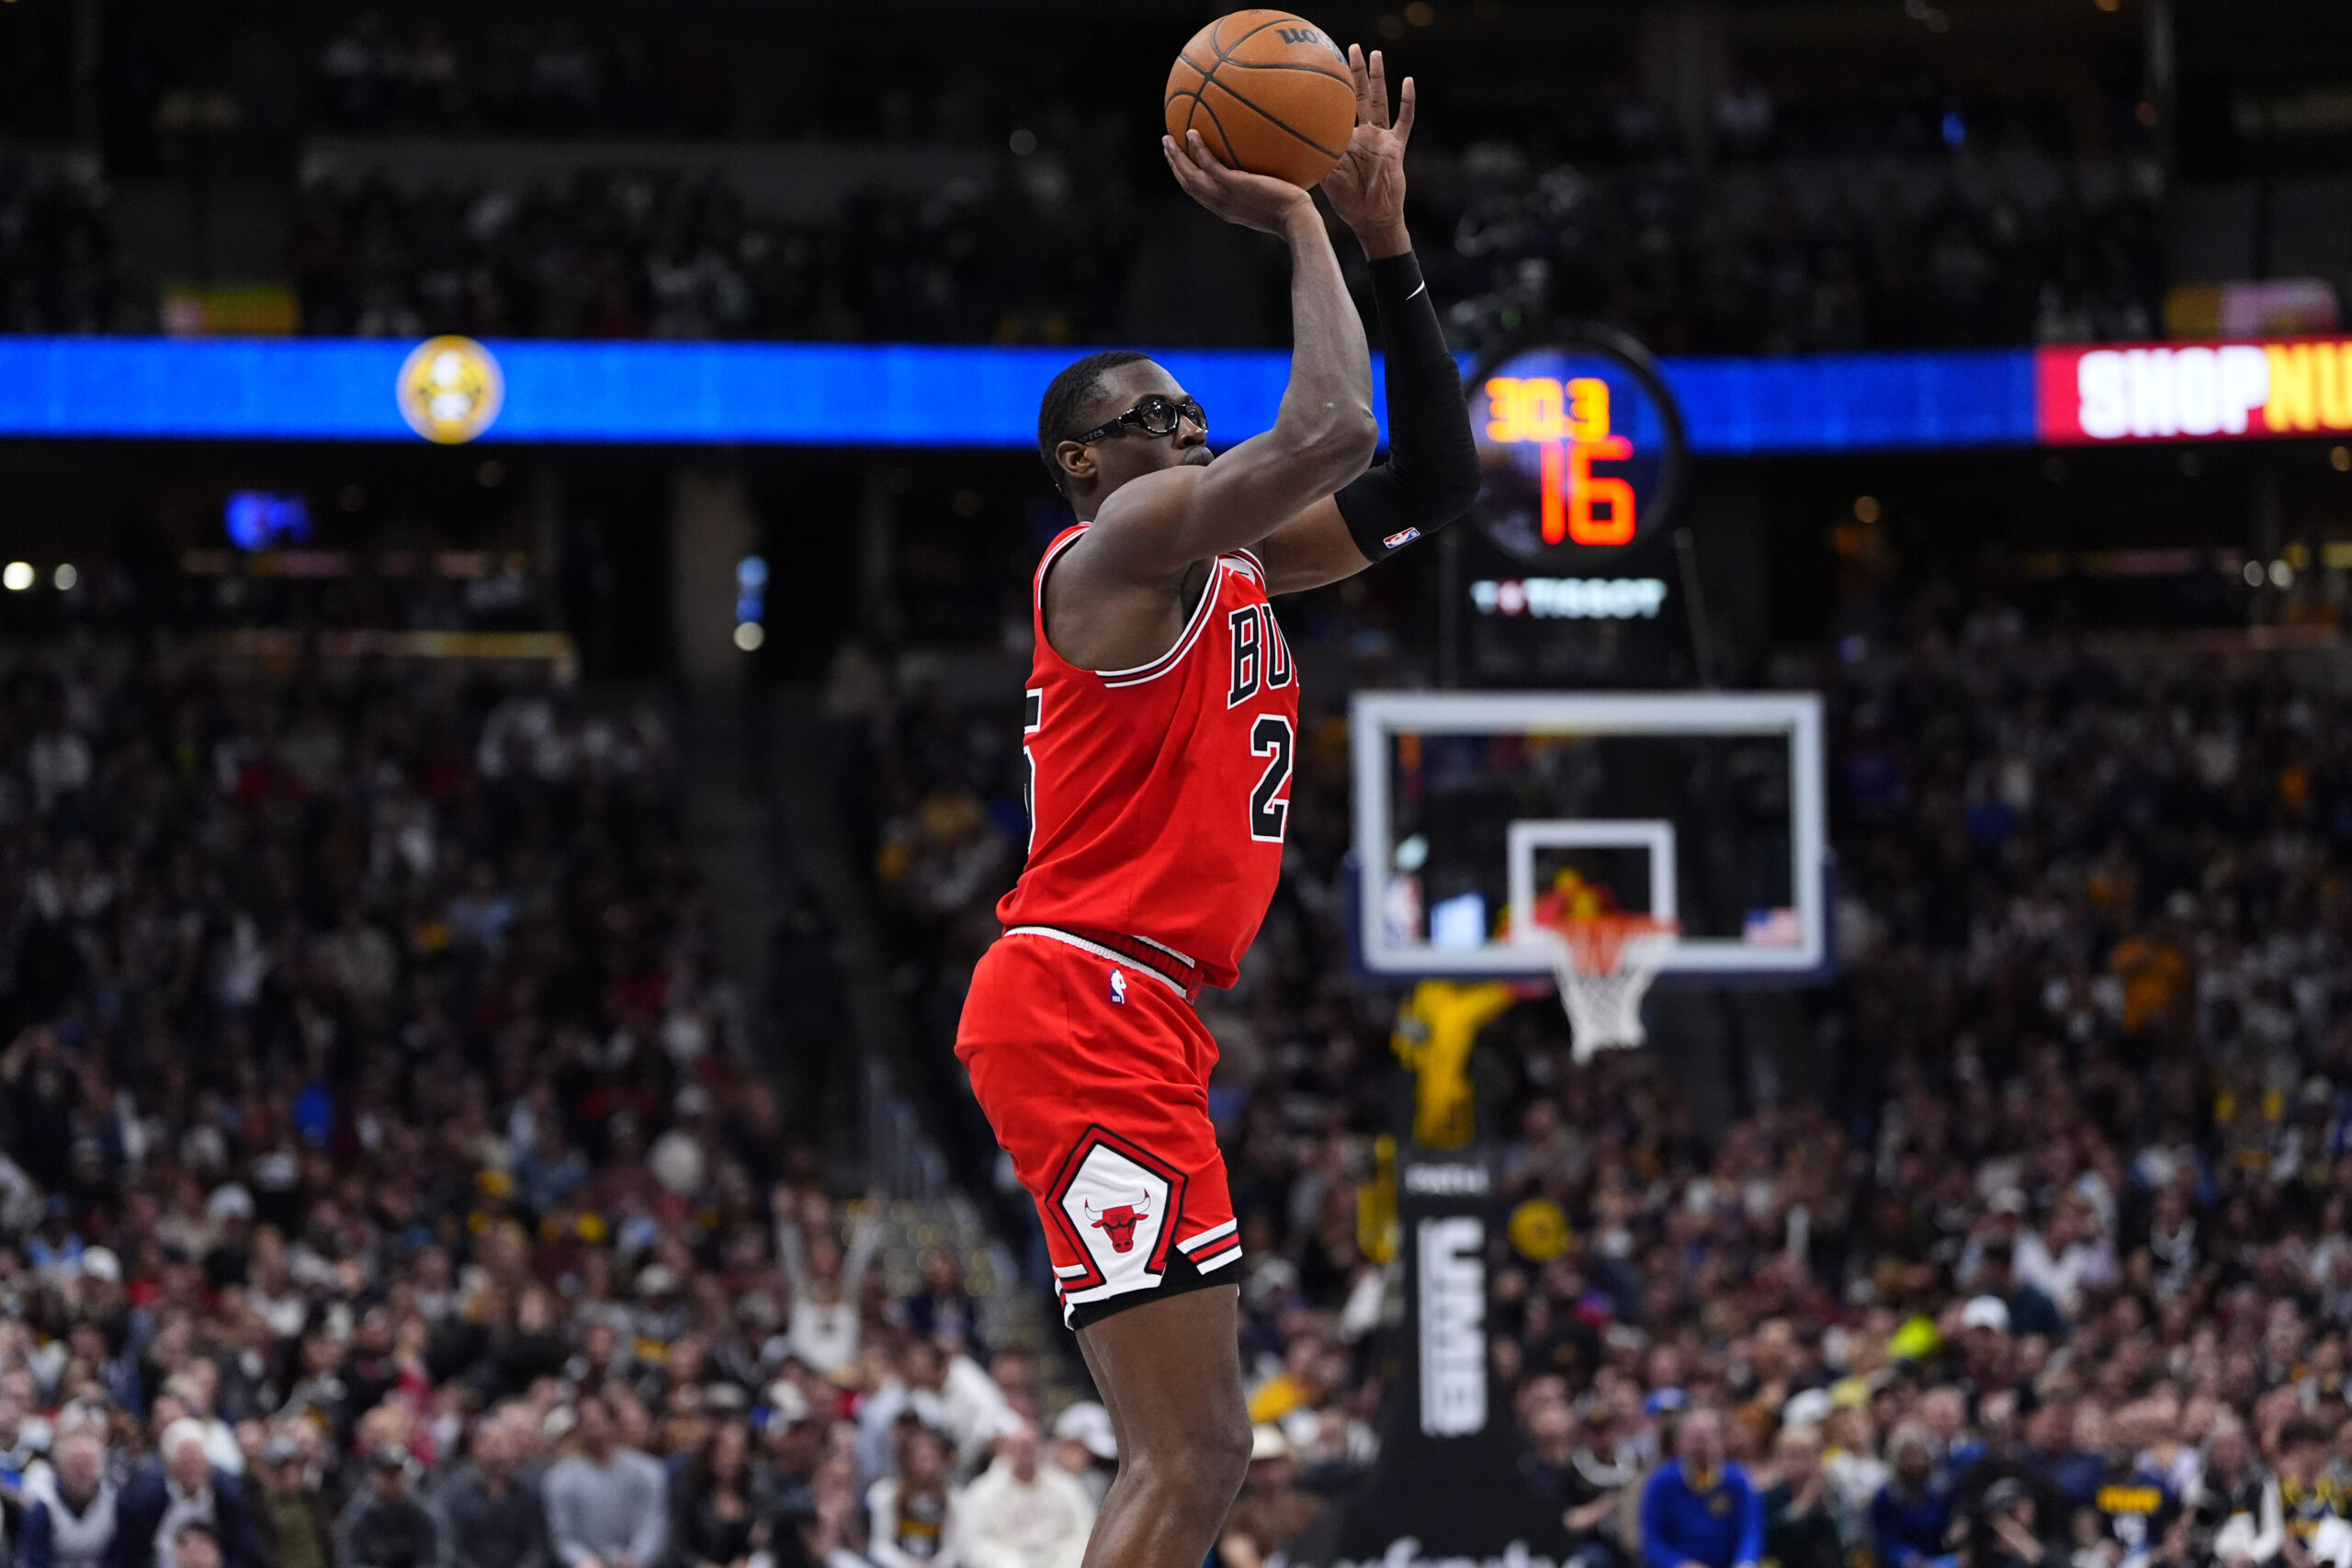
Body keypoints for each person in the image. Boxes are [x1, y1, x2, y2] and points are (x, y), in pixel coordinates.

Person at [950, 39, 1478, 1568]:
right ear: (1083, 465)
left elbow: (1430, 476)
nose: (1183, 428)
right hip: (1084, 993)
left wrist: (1388, 244)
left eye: (1191, 410)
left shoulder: (1241, 565)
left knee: (1189, 1455)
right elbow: (1330, 431)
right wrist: (1306, 214)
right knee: (1197, 1453)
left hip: (1133, 1004)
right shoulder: (1109, 556)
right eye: (1150, 419)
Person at [543, 1396, 668, 1568]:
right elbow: (562, 1536)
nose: (595, 1430)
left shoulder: (648, 1472)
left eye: (599, 1421)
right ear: (578, 1428)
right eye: (587, 1423)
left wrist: (635, 1559)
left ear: (614, 1423)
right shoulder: (559, 1479)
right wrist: (585, 1561)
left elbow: (651, 1525)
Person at [111, 1419, 254, 1568]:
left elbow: (241, 1549)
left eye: (198, 1460)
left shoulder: (230, 1494)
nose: (194, 1469)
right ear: (169, 1464)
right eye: (186, 1461)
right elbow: (130, 1552)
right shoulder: (143, 1498)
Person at [948, 1425, 1094, 1568]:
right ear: (1008, 1449)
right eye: (1021, 1447)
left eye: (1031, 1446)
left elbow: (1083, 1534)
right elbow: (972, 1543)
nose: (1026, 1452)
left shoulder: (1067, 1488)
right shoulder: (982, 1492)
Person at [1638, 1410, 1763, 1568]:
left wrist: (1745, 1563)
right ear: (1677, 1442)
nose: (1701, 1446)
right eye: (1694, 1438)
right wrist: (1680, 1564)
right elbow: (1652, 1541)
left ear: (1720, 1440)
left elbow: (1751, 1532)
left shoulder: (1738, 1480)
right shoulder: (1661, 1482)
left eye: (1707, 1437)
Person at [434, 1411, 549, 1568]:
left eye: (506, 1443)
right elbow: (451, 1547)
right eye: (494, 1443)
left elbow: (538, 1546)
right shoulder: (454, 1492)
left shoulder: (529, 1492)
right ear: (476, 1448)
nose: (501, 1451)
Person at [1217, 1427, 1326, 1568]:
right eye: (1259, 1465)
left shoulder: (1311, 1508)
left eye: (1274, 1463)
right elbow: (1238, 1554)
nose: (1268, 1472)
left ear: (1288, 1464)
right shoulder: (1239, 1517)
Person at [662, 1420, 765, 1568]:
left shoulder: (756, 1495)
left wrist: (746, 1559)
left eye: (739, 1452)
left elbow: (759, 1541)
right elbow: (675, 1545)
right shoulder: (687, 1490)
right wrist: (700, 1564)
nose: (731, 1459)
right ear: (712, 1452)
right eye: (726, 1451)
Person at [20, 1427, 119, 1568]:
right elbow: (33, 1560)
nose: (83, 1472)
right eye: (76, 1464)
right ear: (60, 1468)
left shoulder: (115, 1503)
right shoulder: (43, 1507)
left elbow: (122, 1557)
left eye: (89, 1464)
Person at [865, 1425, 956, 1568]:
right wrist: (908, 1565)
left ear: (941, 1459)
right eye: (920, 1457)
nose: (926, 1464)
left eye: (931, 1457)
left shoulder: (954, 1498)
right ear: (907, 1459)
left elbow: (953, 1547)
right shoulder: (886, 1494)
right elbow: (879, 1546)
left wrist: (934, 1565)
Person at [1870, 1424, 1957, 1568]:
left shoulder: (1941, 1491)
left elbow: (1948, 1528)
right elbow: (1886, 1540)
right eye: (1910, 1457)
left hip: (1940, 1558)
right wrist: (1909, 1558)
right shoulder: (1886, 1497)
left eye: (1922, 1455)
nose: (1917, 1463)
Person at [333, 1448, 436, 1568]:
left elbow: (436, 1557)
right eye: (386, 1474)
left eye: (397, 1473)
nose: (392, 1480)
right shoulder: (357, 1515)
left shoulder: (423, 1513)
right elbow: (348, 1560)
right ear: (372, 1476)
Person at [1759, 1426, 1842, 1568]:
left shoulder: (1832, 1492)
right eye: (1788, 1456)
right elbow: (1771, 1537)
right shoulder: (1771, 1496)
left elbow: (1845, 1535)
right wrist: (1803, 1504)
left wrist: (1827, 1501)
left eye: (1801, 1456)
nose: (1793, 1463)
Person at [244, 1435, 330, 1568]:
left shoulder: (312, 1498)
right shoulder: (259, 1508)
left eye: (291, 1466)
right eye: (279, 1469)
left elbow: (328, 1540)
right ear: (267, 1472)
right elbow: (263, 1552)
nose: (287, 1473)